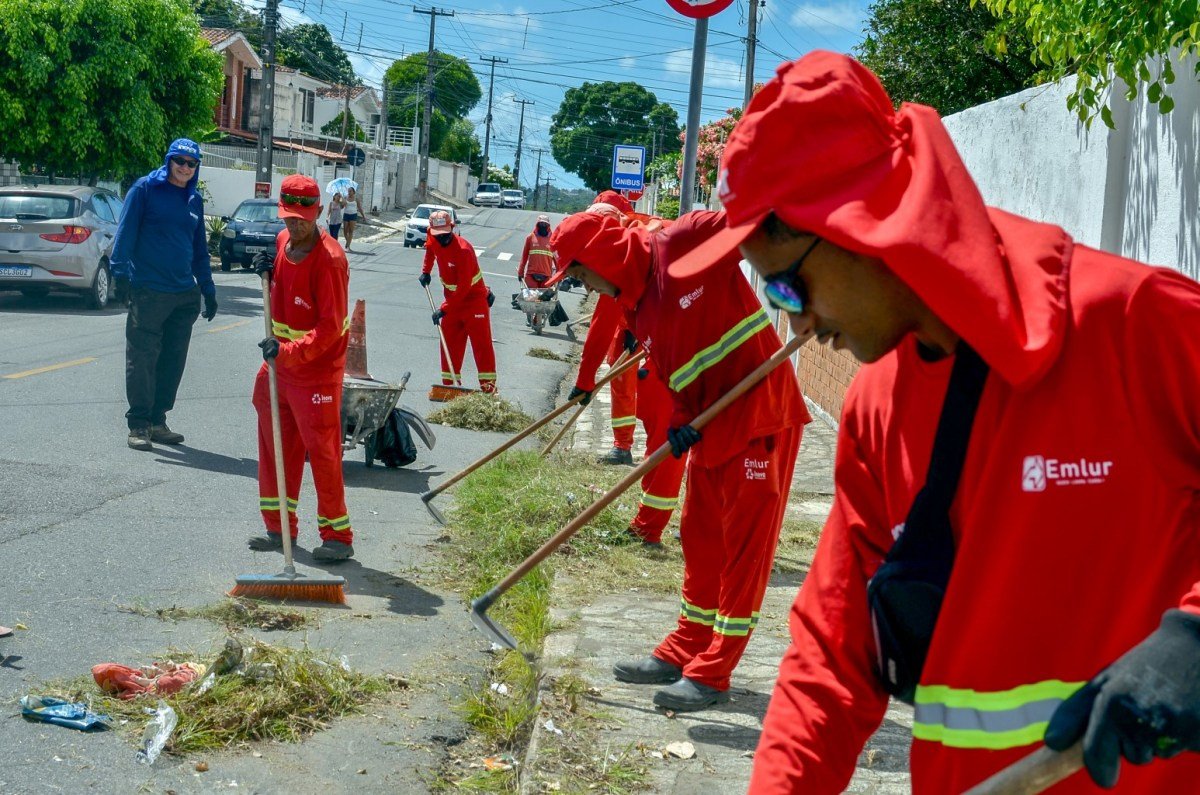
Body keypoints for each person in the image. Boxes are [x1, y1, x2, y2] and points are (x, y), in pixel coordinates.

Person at [668, 50, 1200, 793]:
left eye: (788, 286)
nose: (796, 321)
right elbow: (830, 659)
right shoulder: (878, 407)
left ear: (861, 223)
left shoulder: (1129, 326)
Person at [545, 209, 811, 711]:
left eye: (581, 273)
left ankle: (714, 671)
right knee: (700, 535)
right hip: (710, 425)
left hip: (759, 417)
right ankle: (686, 646)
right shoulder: (638, 309)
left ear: (603, 256)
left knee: (743, 549)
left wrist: (809, 285)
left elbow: (764, 216)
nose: (586, 286)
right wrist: (682, 421)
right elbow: (681, 373)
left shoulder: (682, 242)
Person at [248, 174, 354, 563]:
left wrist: (288, 351)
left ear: (320, 213)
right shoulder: (282, 243)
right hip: (279, 370)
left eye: (302, 220)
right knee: (275, 448)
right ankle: (278, 529)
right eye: (288, 218)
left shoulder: (331, 261)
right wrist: (268, 271)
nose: (294, 226)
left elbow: (330, 329)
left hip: (315, 372)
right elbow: (286, 289)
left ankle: (338, 536)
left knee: (322, 454)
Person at [110, 138, 217, 451]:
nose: (184, 167)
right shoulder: (144, 189)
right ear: (169, 160)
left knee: (172, 360)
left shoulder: (193, 200)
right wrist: (120, 275)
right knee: (142, 358)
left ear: (196, 168)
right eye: (179, 161)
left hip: (184, 293)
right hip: (148, 290)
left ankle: (158, 420)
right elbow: (126, 231)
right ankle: (139, 424)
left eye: (191, 163)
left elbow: (199, 250)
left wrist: (208, 289)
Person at [419, 211, 497, 393]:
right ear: (431, 232)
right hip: (452, 302)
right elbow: (430, 250)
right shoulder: (434, 239)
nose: (443, 239)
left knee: (482, 345)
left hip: (474, 300)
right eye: (439, 236)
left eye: (446, 234)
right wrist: (426, 271)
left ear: (452, 228)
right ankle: (451, 387)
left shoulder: (463, 251)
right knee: (449, 342)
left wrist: (443, 309)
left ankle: (488, 389)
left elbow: (463, 288)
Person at [517, 214, 555, 288]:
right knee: (532, 297)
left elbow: (557, 260)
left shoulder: (553, 239)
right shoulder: (530, 238)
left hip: (547, 276)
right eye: (541, 223)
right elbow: (524, 257)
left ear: (548, 225)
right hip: (531, 275)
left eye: (545, 224)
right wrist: (520, 272)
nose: (543, 225)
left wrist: (557, 277)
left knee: (544, 298)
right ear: (537, 224)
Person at [342, 186, 365, 251]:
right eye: (348, 191)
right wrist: (342, 202)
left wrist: (363, 216)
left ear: (353, 192)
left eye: (350, 191)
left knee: (351, 231)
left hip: (353, 215)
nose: (349, 192)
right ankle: (348, 242)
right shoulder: (345, 198)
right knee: (345, 231)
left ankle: (348, 245)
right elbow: (341, 207)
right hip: (346, 215)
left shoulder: (356, 199)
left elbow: (359, 208)